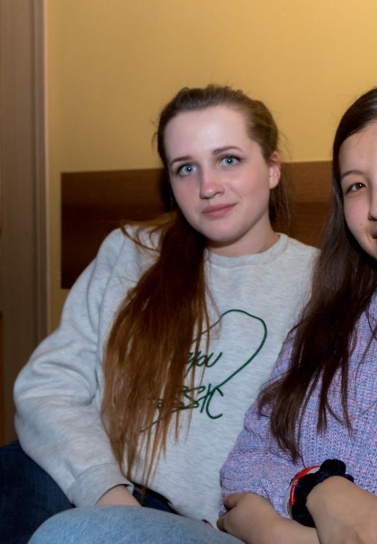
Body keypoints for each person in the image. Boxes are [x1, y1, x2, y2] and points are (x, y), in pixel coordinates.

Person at [31, 77, 377, 544]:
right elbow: (247, 461)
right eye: (356, 185)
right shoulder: (337, 308)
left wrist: (294, 535)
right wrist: (316, 490)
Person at [2, 85, 317, 543]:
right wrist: (109, 495)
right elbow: (48, 387)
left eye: (229, 159)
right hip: (107, 487)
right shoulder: (130, 253)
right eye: (186, 168)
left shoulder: (320, 282)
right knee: (15, 468)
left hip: (215, 524)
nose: (207, 187)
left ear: (272, 168)